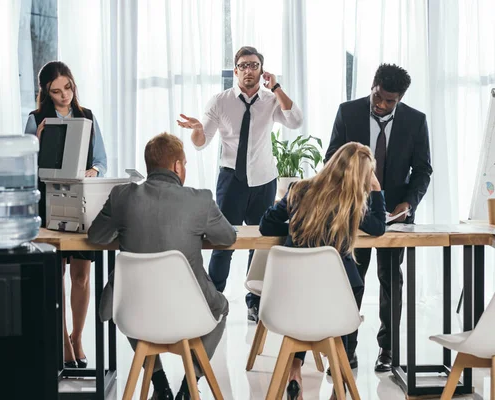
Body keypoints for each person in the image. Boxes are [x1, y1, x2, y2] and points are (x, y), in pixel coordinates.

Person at [88, 133, 236, 400]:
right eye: (186, 164)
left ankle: (160, 384)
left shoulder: (122, 196)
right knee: (221, 309)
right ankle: (189, 387)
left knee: (127, 310)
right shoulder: (199, 200)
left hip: (138, 312)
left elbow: (96, 237)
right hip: (189, 312)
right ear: (178, 167)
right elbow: (228, 238)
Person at [177, 46, 303, 323]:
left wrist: (278, 87)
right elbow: (201, 143)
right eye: (244, 65)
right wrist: (198, 130)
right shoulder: (220, 101)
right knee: (223, 240)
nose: (249, 70)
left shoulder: (271, 100)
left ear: (262, 70)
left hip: (264, 180)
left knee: (260, 242)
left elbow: (296, 121)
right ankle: (214, 299)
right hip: (231, 179)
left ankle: (254, 302)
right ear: (235, 71)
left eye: (254, 65)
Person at [325, 64, 432, 372]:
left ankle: (388, 349)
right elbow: (332, 157)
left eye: (390, 101)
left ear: (400, 98)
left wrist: (408, 204)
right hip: (353, 213)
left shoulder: (416, 121)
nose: (382, 105)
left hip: (396, 216)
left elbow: (422, 170)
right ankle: (347, 348)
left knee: (390, 280)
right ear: (372, 86)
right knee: (350, 282)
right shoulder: (348, 112)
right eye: (379, 96)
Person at [259, 142, 386, 400]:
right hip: (334, 309)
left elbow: (266, 225)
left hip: (291, 301)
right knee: (349, 293)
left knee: (307, 305)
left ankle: (294, 369)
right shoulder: (351, 203)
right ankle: (341, 378)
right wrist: (377, 189)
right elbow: (379, 227)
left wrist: (299, 227)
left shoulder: (299, 189)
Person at [24, 61, 108, 369]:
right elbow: (26, 166)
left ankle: (77, 337)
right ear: (46, 92)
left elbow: (101, 159)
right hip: (49, 203)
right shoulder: (35, 119)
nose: (64, 97)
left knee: (81, 275)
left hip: (81, 200)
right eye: (56, 92)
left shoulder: (87, 116)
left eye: (67, 88)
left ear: (73, 85)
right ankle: (61, 341)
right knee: (55, 274)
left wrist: (94, 170)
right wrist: (36, 140)